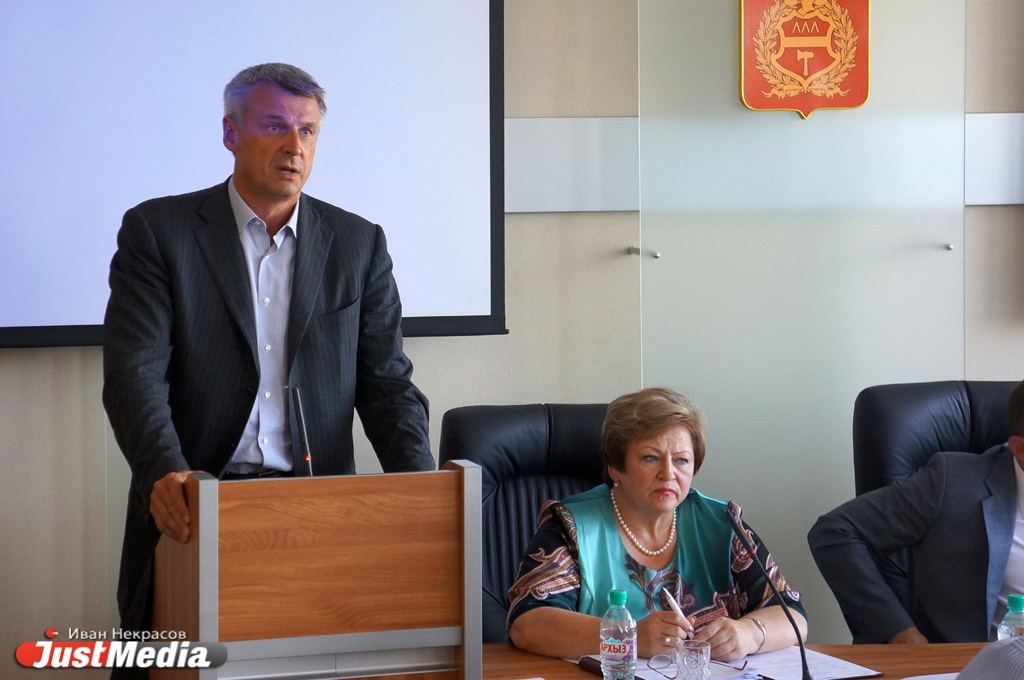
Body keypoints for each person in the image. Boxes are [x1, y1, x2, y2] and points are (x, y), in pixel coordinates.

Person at [102, 63, 434, 654]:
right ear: (230, 133)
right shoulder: (159, 232)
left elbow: (387, 385)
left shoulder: (358, 244)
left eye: (307, 131)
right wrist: (166, 473)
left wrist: (424, 493)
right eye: (275, 126)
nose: (294, 146)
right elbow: (135, 373)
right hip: (197, 504)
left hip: (317, 512)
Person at [506, 387, 807, 662]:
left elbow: (793, 616)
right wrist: (629, 637)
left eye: (681, 460)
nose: (668, 473)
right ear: (615, 468)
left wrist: (750, 633)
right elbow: (527, 624)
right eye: (650, 458)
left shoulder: (722, 524)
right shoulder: (571, 526)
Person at [807, 379, 1024, 644]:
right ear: (1019, 448)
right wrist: (899, 632)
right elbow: (835, 532)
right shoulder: (952, 483)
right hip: (977, 660)